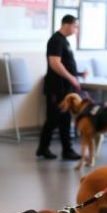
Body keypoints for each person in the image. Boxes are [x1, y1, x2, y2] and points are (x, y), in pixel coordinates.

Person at [36, 14, 83, 160]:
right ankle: (43, 148)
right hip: (56, 88)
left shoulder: (64, 41)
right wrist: (71, 78)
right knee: (53, 118)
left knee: (65, 119)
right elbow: (55, 63)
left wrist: (78, 73)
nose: (76, 30)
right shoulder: (56, 40)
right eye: (75, 26)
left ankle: (67, 150)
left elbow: (66, 63)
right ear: (67, 25)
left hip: (65, 87)